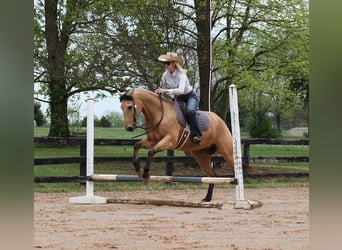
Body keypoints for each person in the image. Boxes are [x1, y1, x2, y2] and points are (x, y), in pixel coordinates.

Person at [155, 52, 202, 144]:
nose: (166, 66)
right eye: (164, 63)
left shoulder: (182, 75)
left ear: (173, 64)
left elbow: (180, 90)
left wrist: (164, 91)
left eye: (167, 63)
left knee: (190, 111)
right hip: (178, 98)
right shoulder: (165, 75)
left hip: (190, 97)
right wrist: (158, 91)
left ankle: (197, 135)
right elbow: (162, 86)